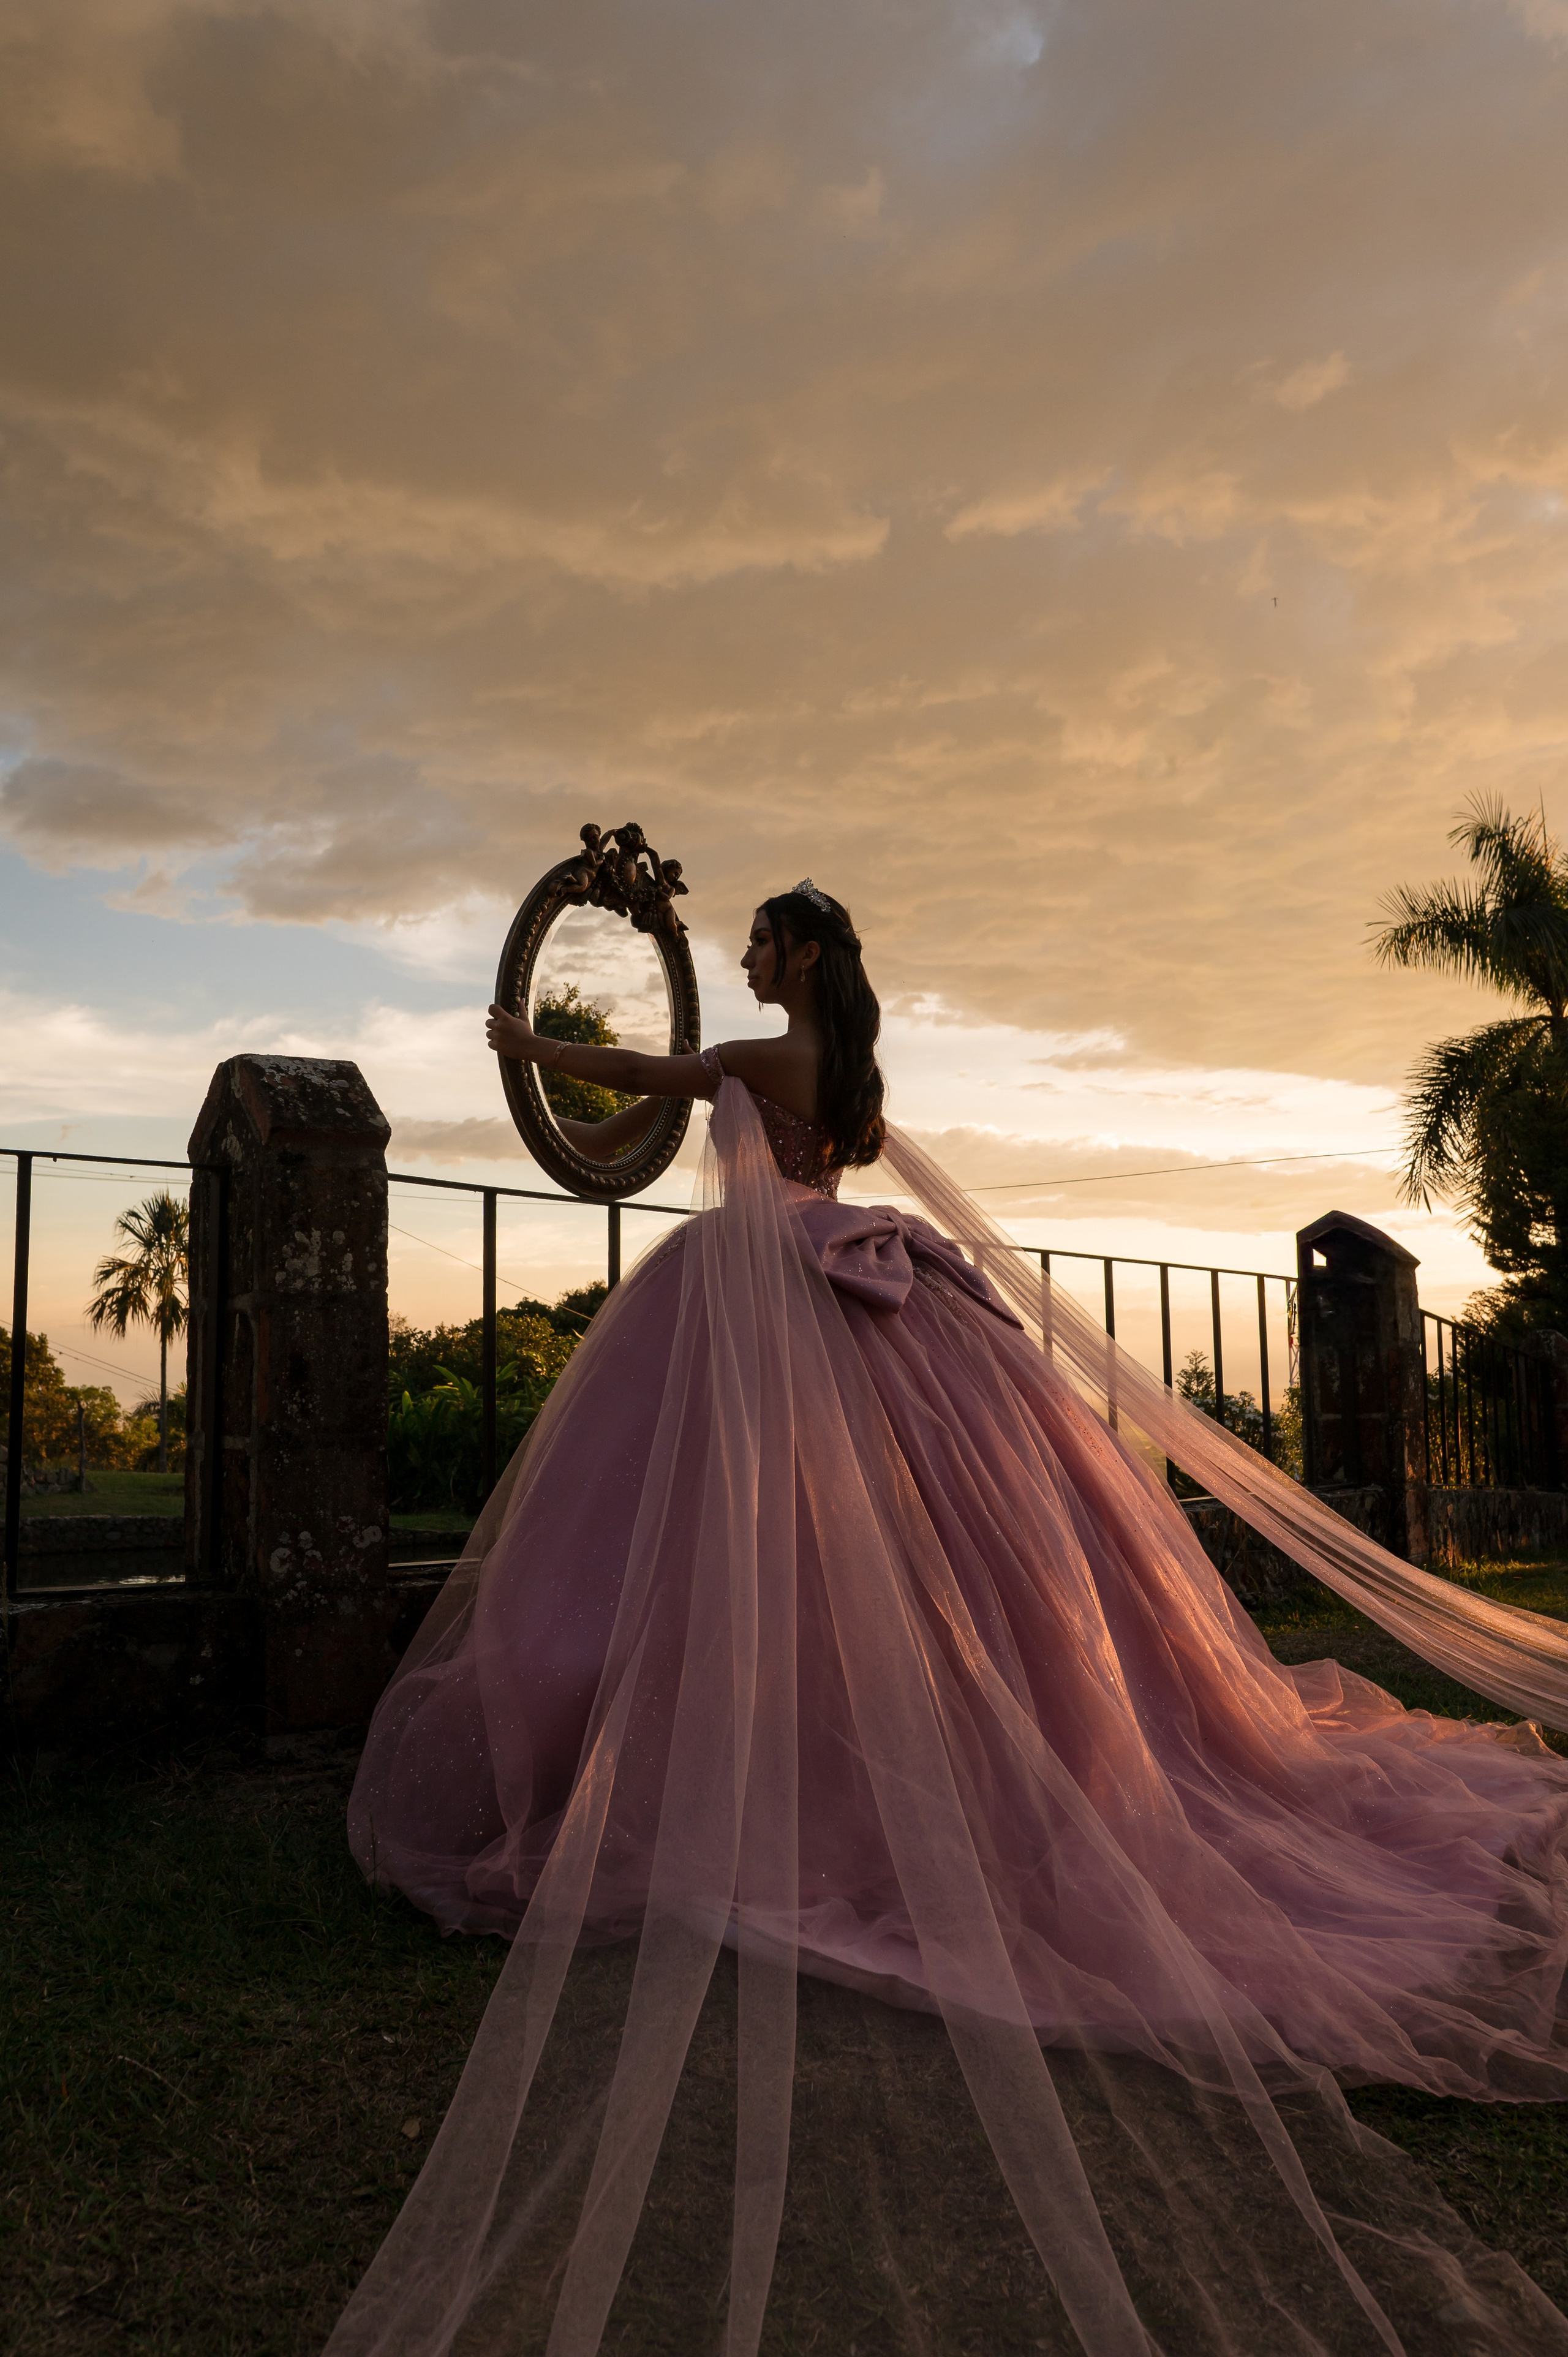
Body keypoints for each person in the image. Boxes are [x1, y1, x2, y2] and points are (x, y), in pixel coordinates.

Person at [329, 884, 1568, 2357]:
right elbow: (648, 1127)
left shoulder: (772, 1059)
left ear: (798, 958)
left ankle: (786, 1763)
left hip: (774, 1294)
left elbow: (650, 1088)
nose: (743, 956)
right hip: (812, 1291)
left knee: (758, 1541)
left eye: (759, 942)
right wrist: (569, 1098)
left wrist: (528, 1040)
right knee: (844, 1550)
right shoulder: (836, 1069)